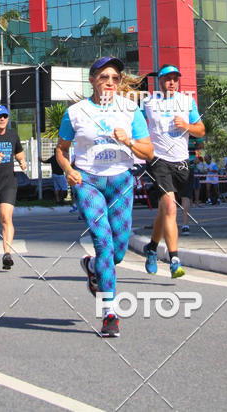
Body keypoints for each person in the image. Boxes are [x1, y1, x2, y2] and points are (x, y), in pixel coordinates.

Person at [56, 57, 154, 338]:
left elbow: (148, 152)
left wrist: (128, 142)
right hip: (88, 181)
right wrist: (69, 170)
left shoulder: (130, 109)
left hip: (121, 181)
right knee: (103, 242)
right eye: (103, 77)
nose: (110, 82)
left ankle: (91, 266)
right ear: (92, 81)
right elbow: (61, 149)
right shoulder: (75, 112)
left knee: (118, 252)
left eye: (114, 78)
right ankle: (109, 313)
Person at [141, 64, 205, 278]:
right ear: (159, 81)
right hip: (158, 160)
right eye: (168, 79)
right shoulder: (148, 102)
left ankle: (151, 248)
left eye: (175, 79)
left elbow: (201, 130)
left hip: (181, 161)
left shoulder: (187, 101)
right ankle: (174, 260)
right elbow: (135, 124)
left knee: (164, 211)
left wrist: (186, 125)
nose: (172, 82)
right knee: (170, 207)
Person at [0, 104, 27, 270]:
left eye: (5, 116)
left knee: (6, 218)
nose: (2, 119)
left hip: (8, 183)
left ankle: (7, 254)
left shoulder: (12, 135)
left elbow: (19, 152)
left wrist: (22, 160)